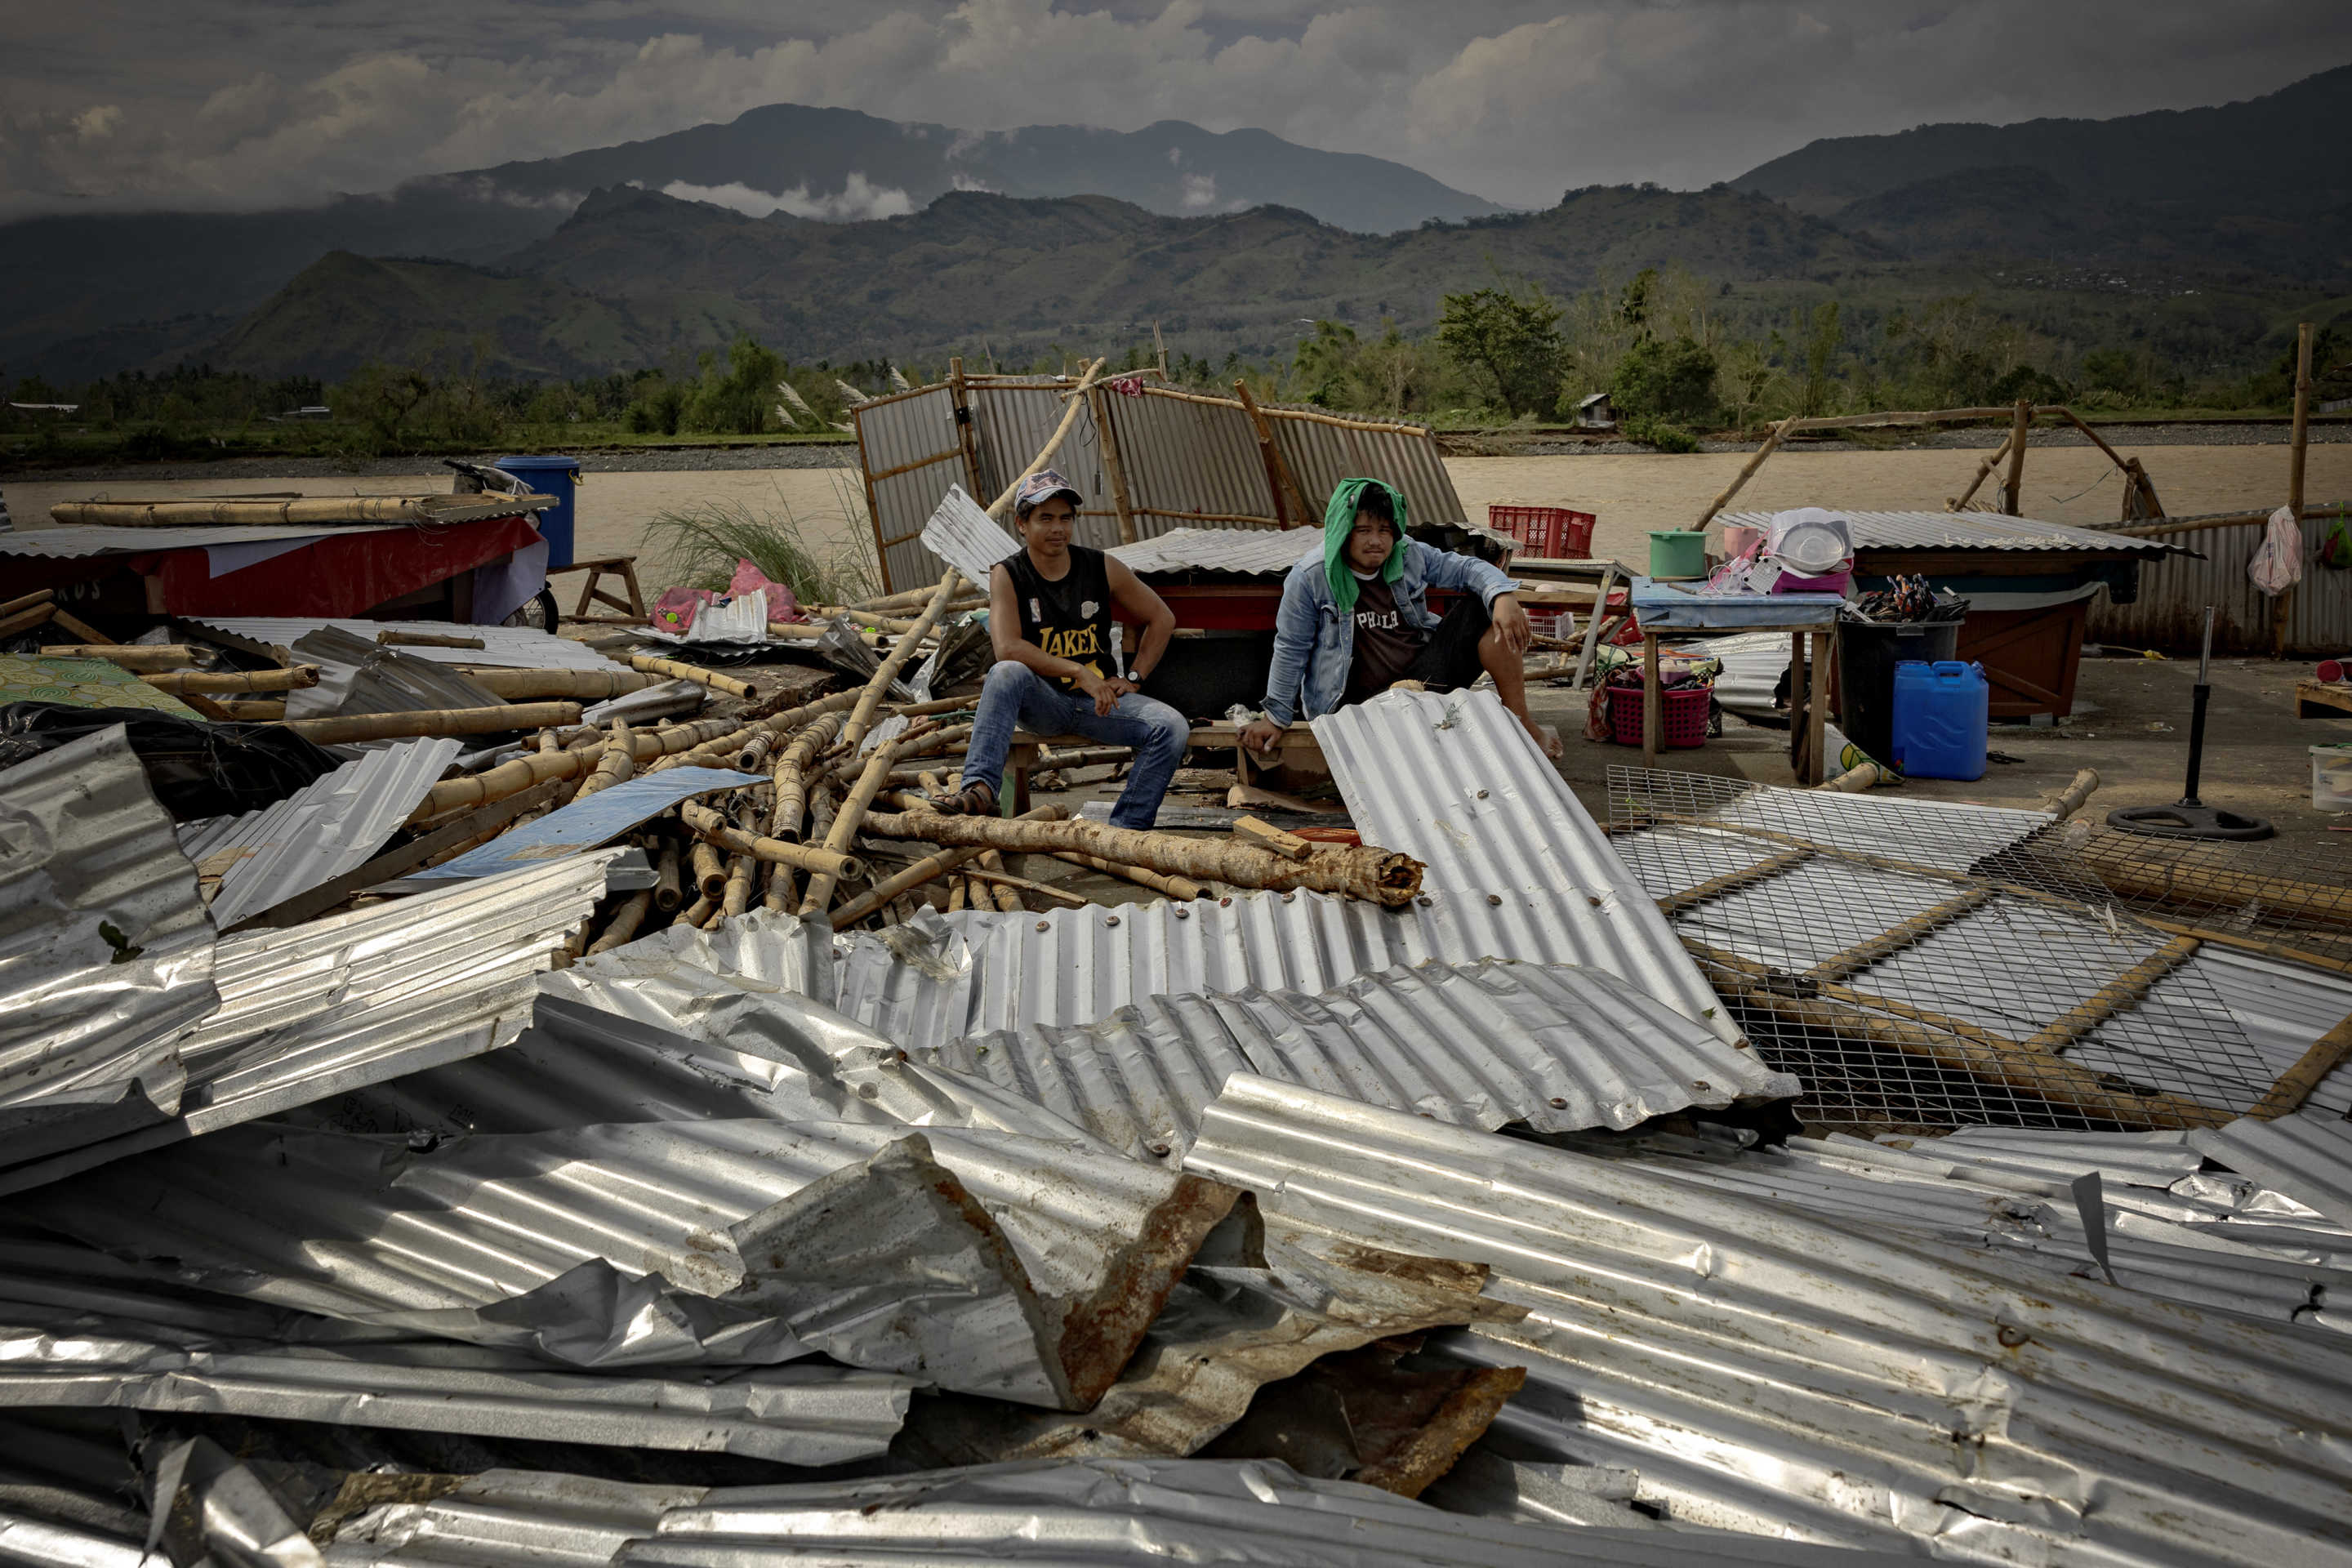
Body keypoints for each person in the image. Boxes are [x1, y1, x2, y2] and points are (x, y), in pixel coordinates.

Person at [932, 470, 1191, 828]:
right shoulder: (1008, 574)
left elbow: (1162, 618)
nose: (1058, 528)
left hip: (1099, 704)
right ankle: (979, 789)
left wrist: (1134, 678)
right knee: (1005, 673)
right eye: (1046, 518)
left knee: (1172, 726)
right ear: (1022, 524)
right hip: (1044, 703)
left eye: (1065, 518)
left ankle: (1126, 829)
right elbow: (1007, 647)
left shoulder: (1101, 567)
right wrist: (1077, 671)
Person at [1241, 476, 1555, 756]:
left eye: (1384, 530)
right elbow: (1290, 648)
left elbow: (1466, 567)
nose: (1375, 541)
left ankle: (1520, 722)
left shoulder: (1408, 553)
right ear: (1343, 532)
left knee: (1481, 609)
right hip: (1354, 705)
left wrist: (1502, 595)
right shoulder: (1310, 577)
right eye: (1363, 531)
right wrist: (1275, 718)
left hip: (1420, 683)